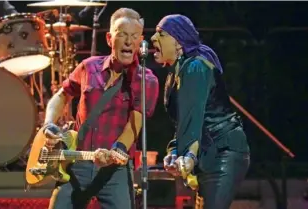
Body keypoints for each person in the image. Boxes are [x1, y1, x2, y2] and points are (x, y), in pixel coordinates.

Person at [42, 8, 159, 209]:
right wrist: (48, 125)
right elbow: (61, 96)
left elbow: (135, 123)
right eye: (122, 35)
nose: (129, 42)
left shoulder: (146, 80)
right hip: (77, 162)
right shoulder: (89, 67)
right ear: (109, 38)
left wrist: (118, 149)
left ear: (141, 42)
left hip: (114, 170)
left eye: (134, 36)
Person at [151, 14, 250, 209]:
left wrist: (188, 155)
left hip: (222, 150)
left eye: (161, 34)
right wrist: (175, 150)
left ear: (178, 43)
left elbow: (194, 117)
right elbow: (183, 121)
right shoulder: (175, 73)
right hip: (208, 151)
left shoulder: (196, 67)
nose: (153, 38)